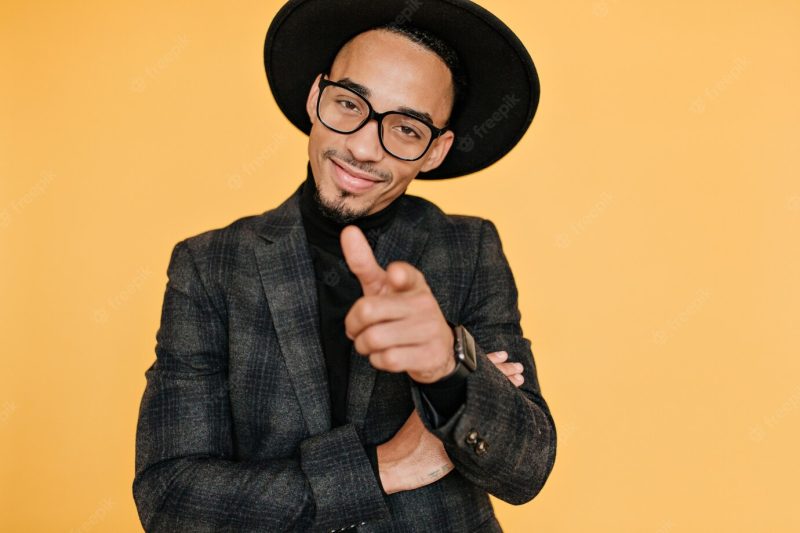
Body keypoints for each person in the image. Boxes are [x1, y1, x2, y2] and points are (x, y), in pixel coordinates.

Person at [133, 0, 556, 531]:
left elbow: (527, 468)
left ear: (436, 150)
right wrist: (381, 469)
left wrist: (446, 367)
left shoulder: (468, 248)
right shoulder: (209, 265)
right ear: (316, 96)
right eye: (350, 104)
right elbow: (170, 499)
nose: (362, 148)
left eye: (406, 128)